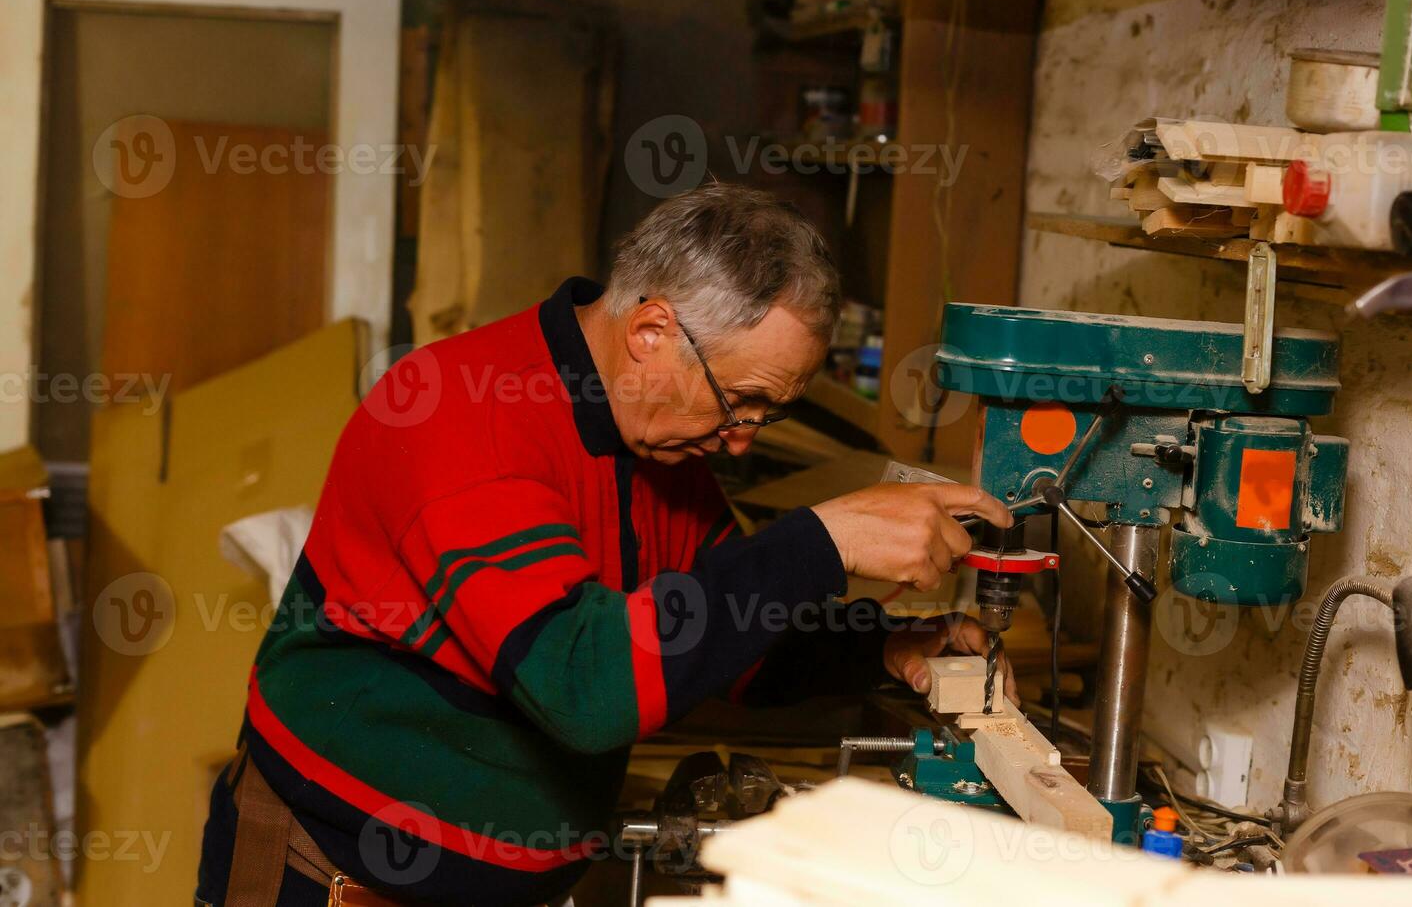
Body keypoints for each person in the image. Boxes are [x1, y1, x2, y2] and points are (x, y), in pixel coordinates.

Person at [196, 183, 1014, 906]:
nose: (740, 442)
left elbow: (725, 634)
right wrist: (825, 540)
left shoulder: (653, 445)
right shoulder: (458, 412)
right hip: (332, 874)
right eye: (742, 402)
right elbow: (584, 687)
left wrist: (886, 646)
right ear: (653, 330)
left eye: (766, 418)